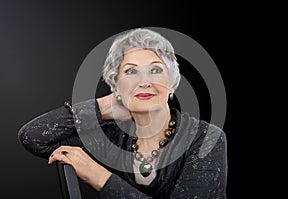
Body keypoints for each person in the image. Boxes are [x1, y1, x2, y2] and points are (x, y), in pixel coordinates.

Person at [18, 28, 227, 198]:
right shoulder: (111, 137)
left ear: (172, 83)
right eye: (131, 71)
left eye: (155, 70)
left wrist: (100, 177)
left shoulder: (205, 138)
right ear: (116, 85)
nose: (144, 82)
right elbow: (33, 137)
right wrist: (104, 106)